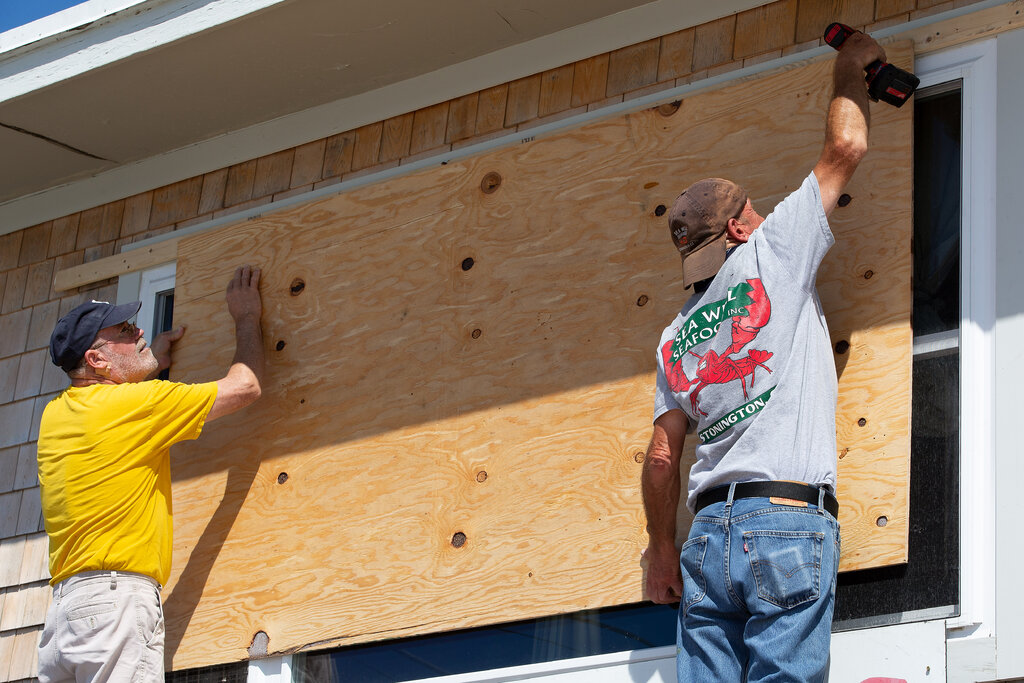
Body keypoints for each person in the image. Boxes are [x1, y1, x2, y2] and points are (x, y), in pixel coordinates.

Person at [640, 31, 886, 681]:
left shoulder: (673, 336)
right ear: (742, 225)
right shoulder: (771, 253)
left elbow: (664, 457)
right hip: (783, 525)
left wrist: (662, 548)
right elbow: (847, 146)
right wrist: (850, 61)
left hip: (707, 538)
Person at [36, 265, 266, 682]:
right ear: (96, 359)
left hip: (65, 616)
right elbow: (245, 387)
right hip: (114, 603)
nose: (138, 330)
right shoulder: (134, 406)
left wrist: (149, 361)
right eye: (123, 331)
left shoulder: (57, 414)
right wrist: (247, 317)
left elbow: (114, 404)